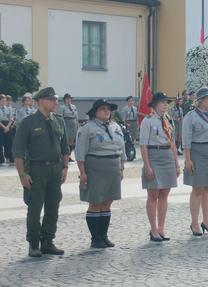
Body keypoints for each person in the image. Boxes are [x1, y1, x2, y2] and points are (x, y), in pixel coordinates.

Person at [13, 87, 70, 257]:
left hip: (55, 169)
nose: (56, 103)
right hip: (36, 170)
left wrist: (65, 168)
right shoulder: (28, 123)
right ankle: (34, 243)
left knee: (53, 207)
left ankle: (48, 241)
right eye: (52, 100)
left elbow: (66, 148)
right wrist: (22, 175)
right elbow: (18, 152)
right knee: (35, 208)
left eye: (56, 99)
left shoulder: (59, 121)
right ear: (42, 101)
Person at [76, 99, 126, 249]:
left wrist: (122, 168)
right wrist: (82, 172)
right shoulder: (87, 128)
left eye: (108, 109)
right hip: (95, 167)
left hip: (113, 166)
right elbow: (80, 152)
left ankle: (104, 235)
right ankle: (95, 237)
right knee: (95, 202)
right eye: (103, 109)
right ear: (95, 112)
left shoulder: (115, 126)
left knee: (108, 202)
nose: (106, 111)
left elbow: (121, 149)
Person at [182, 87, 208, 236]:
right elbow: (186, 140)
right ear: (200, 101)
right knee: (198, 188)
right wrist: (188, 160)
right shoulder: (191, 117)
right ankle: (194, 222)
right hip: (197, 152)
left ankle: (207, 221)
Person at [140, 92, 180, 242]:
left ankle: (162, 228)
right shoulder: (148, 121)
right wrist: (147, 166)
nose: (165, 105)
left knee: (164, 195)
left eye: (166, 102)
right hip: (154, 156)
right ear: (155, 105)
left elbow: (173, 144)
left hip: (167, 157)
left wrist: (176, 164)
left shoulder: (169, 120)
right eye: (162, 102)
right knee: (153, 195)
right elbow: (143, 146)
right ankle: (153, 229)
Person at [0, 94, 16, 165]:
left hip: (8, 125)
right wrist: (4, 127)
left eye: (5, 101)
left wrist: (8, 127)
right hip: (1, 125)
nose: (4, 102)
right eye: (2, 100)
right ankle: (1, 161)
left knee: (10, 142)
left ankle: (11, 159)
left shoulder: (9, 109)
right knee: (1, 143)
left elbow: (11, 118)